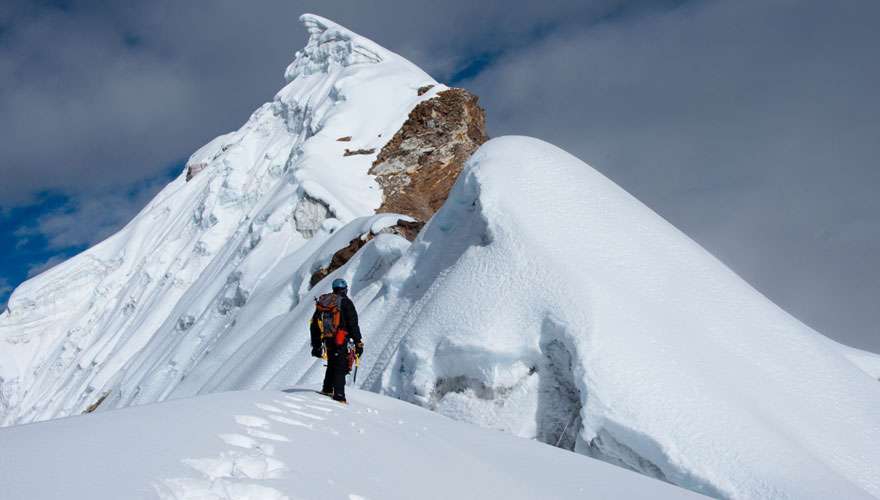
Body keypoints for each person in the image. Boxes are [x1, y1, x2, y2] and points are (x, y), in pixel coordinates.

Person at [310, 278, 363, 403]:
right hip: (340, 338)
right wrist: (358, 342)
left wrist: (316, 344)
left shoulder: (324, 302)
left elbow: (314, 324)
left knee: (333, 362)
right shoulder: (345, 302)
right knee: (340, 366)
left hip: (327, 338)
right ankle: (339, 396)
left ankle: (327, 389)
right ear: (345, 289)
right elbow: (353, 324)